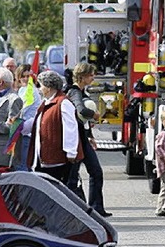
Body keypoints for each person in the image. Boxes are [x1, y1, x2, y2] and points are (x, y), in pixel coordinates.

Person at [66, 62, 111, 217]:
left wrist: (90, 136)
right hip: (76, 140)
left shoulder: (80, 91)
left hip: (83, 138)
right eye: (91, 75)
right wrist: (95, 115)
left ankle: (96, 208)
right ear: (82, 76)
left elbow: (82, 120)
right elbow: (82, 111)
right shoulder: (74, 92)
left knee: (95, 172)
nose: (93, 78)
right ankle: (78, 209)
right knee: (73, 178)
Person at [27, 70, 83, 183]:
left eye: (41, 85)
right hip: (44, 159)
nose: (39, 89)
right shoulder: (46, 103)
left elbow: (70, 129)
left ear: (48, 87)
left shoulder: (63, 103)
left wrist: (71, 152)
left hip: (57, 160)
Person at [14, 64, 42, 171]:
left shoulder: (30, 90)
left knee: (24, 164)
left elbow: (22, 110)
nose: (25, 79)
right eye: (23, 76)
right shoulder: (23, 89)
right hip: (24, 129)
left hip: (28, 131)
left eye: (27, 76)